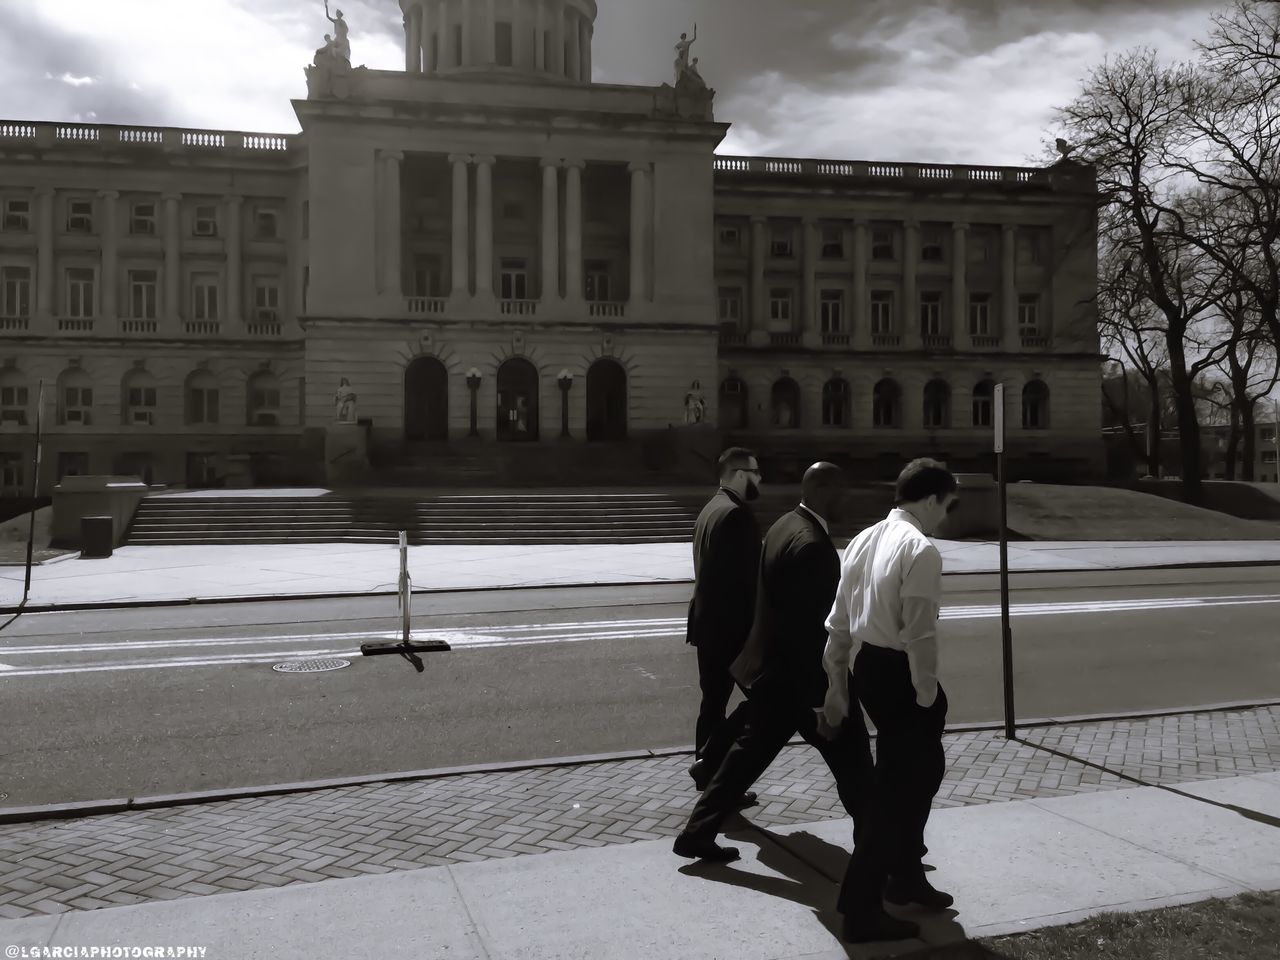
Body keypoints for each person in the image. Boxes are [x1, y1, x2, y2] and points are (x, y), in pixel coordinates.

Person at [673, 462, 873, 862]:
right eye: (844, 492)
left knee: (745, 759)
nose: (850, 500)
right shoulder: (813, 546)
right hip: (803, 681)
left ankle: (697, 830)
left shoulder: (785, 524)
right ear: (825, 492)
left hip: (777, 678)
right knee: (854, 761)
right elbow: (811, 630)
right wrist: (824, 696)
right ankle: (884, 848)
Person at [821, 458, 958, 944]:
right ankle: (862, 905)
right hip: (901, 676)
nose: (947, 514)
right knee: (899, 791)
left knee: (918, 776)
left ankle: (905, 876)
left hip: (869, 668)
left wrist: (838, 678)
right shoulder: (920, 549)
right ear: (930, 499)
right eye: (947, 503)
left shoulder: (863, 539)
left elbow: (838, 618)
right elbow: (920, 632)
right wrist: (926, 694)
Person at [684, 448, 763, 797]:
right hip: (732, 629)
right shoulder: (736, 515)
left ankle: (709, 775)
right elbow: (747, 582)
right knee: (767, 702)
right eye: (756, 472)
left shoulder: (709, 509)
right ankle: (714, 767)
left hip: (707, 625)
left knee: (713, 703)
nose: (760, 478)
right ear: (739, 473)